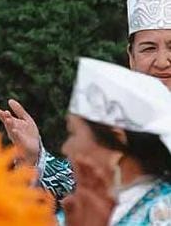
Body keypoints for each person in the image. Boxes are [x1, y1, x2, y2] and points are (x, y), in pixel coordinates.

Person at [0, 0, 171, 201]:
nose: (162, 61)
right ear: (131, 57)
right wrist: (35, 155)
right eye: (149, 48)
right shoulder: (113, 123)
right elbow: (77, 187)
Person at [60, 58, 171, 225]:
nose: (65, 148)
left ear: (117, 138)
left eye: (72, 133)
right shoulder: (76, 211)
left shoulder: (162, 213)